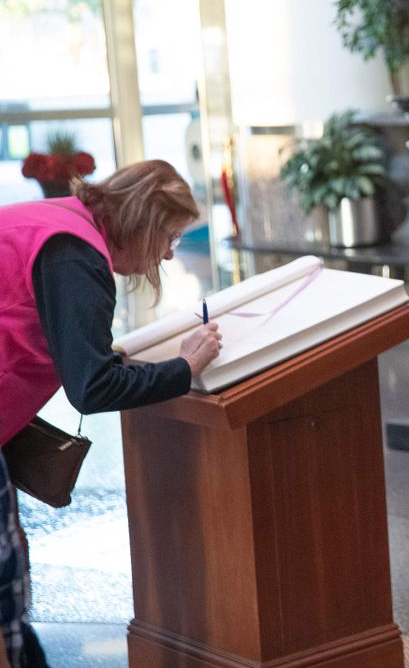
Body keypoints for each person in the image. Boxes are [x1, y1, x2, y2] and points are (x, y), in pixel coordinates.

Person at [0, 160, 223, 667]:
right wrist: (184, 367)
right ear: (142, 222)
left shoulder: (62, 221)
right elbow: (93, 385)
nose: (168, 253)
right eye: (168, 236)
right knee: (4, 594)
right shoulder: (74, 254)